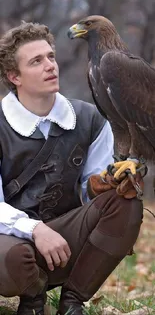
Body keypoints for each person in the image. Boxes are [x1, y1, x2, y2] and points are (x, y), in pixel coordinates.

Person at [0, 21, 143, 315]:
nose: (50, 65)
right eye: (36, 61)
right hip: (11, 243)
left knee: (125, 203)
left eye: (51, 56)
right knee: (17, 257)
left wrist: (104, 184)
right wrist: (35, 229)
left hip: (65, 243)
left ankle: (73, 301)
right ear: (14, 76)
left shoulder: (89, 118)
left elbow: (93, 187)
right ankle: (33, 299)